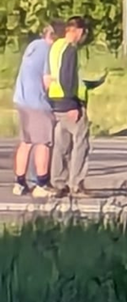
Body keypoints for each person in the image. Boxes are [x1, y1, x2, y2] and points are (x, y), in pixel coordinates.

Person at [12, 21, 64, 198]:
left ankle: (19, 182)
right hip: (37, 102)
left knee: (26, 142)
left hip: (22, 99)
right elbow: (47, 80)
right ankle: (41, 184)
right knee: (43, 143)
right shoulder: (48, 51)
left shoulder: (33, 46)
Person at [46, 16, 91, 197]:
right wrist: (74, 104)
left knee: (60, 145)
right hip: (69, 102)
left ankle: (58, 182)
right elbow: (67, 77)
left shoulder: (56, 46)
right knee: (81, 143)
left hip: (55, 101)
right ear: (78, 31)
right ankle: (76, 184)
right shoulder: (71, 50)